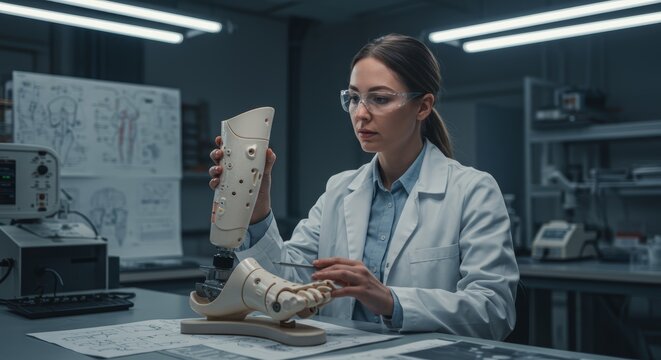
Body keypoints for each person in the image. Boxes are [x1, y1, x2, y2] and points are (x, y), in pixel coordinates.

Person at [208, 33, 519, 340]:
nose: (360, 114)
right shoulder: (339, 190)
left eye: (380, 99)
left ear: (423, 106)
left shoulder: (472, 191)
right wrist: (256, 204)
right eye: (354, 98)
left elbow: (494, 311)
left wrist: (390, 301)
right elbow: (284, 285)